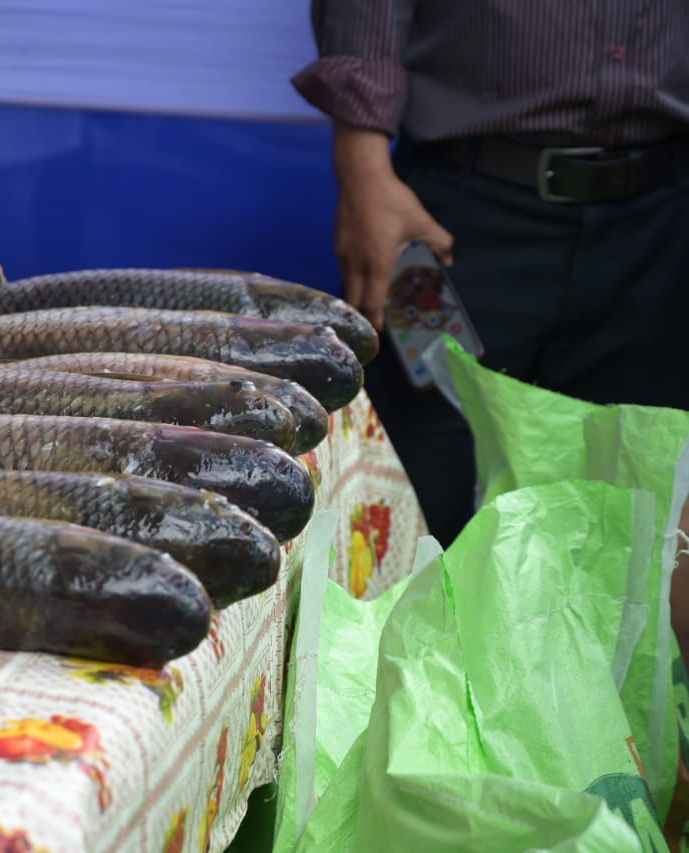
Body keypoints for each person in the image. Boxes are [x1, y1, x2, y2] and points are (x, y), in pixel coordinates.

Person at [291, 1, 689, 547]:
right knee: (412, 506)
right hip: (452, 222)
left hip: (662, 224)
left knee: (633, 518)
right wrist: (361, 162)